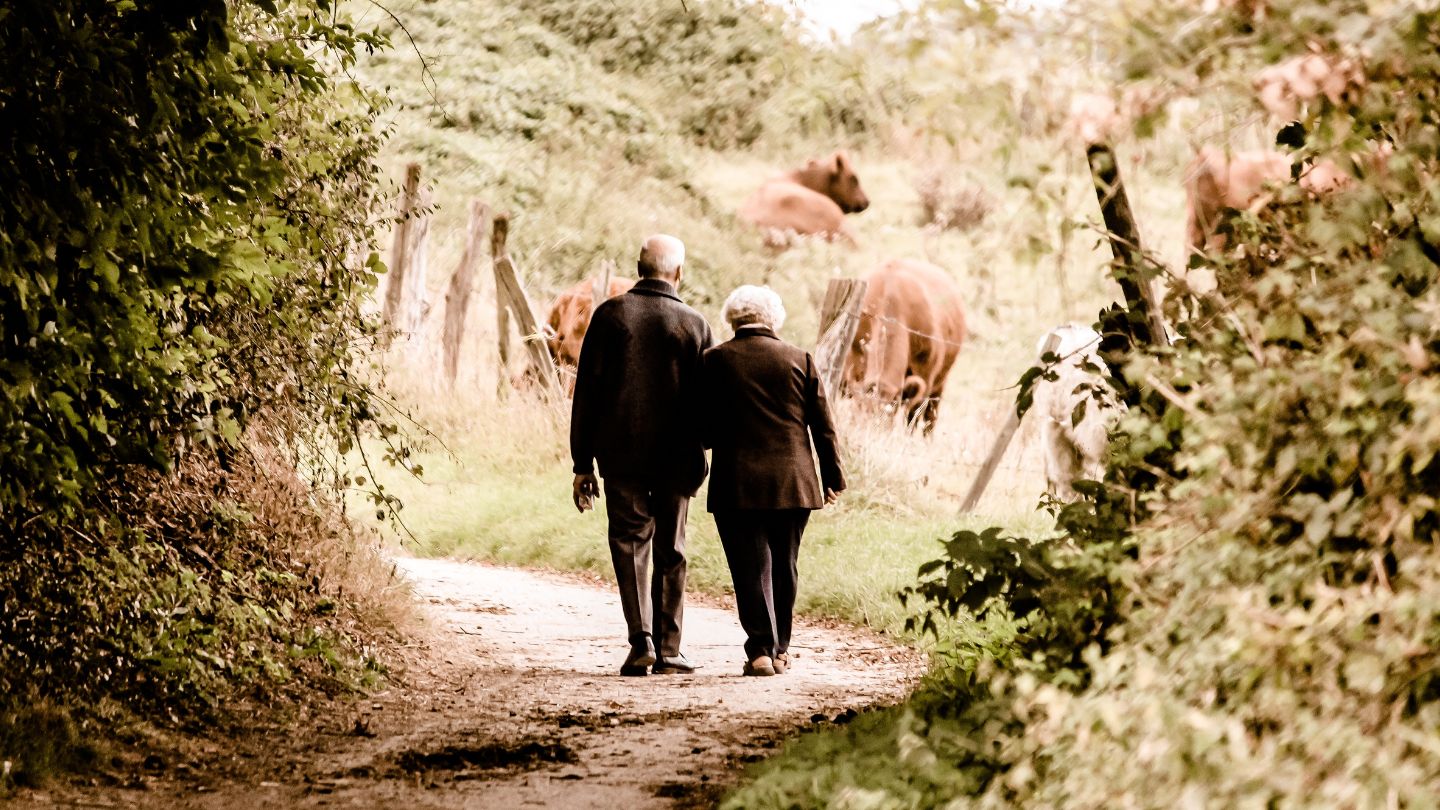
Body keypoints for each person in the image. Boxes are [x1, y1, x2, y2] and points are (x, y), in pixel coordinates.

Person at [570, 234, 715, 677]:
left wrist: (582, 463)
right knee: (672, 546)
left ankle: (642, 642)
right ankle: (671, 649)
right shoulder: (694, 324)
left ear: (638, 267)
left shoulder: (611, 316)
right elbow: (708, 399)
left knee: (630, 543)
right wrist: (704, 446)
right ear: (679, 273)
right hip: (678, 456)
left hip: (621, 453)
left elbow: (587, 394)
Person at [701, 285, 845, 677]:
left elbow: (704, 429)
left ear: (732, 318)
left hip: (737, 482)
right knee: (785, 563)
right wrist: (832, 476)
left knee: (750, 566)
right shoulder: (800, 359)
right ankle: (781, 648)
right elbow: (824, 427)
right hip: (794, 481)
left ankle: (760, 650)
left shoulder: (714, 361)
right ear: (774, 318)